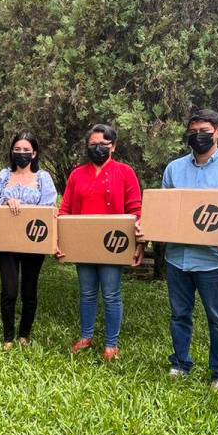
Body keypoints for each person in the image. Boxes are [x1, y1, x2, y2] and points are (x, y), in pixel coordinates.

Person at [157, 109, 218, 390]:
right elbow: (164, 211)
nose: (198, 136)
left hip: (214, 261)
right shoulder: (174, 169)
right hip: (178, 258)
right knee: (179, 315)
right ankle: (180, 363)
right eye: (192, 132)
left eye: (204, 131)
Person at [56, 124, 143, 361]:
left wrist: (139, 242)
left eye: (103, 145)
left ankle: (111, 344)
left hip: (112, 244)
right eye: (93, 144)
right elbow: (65, 210)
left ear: (113, 146)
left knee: (112, 293)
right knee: (87, 293)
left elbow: (136, 209)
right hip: (83, 244)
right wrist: (62, 240)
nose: (98, 149)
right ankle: (86, 336)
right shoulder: (77, 174)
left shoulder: (125, 172)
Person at [0, 132, 58, 350]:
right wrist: (7, 201)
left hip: (33, 239)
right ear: (12, 152)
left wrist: (27, 209)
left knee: (29, 289)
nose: (22, 154)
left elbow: (49, 206)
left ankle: (24, 334)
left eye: (26, 150)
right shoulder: (3, 176)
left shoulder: (43, 178)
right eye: (17, 150)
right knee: (9, 289)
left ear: (34, 153)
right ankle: (8, 337)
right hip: (7, 240)